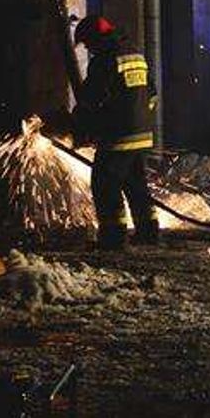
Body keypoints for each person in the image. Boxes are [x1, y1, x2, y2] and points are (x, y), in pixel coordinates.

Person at [73, 15, 159, 250]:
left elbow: (91, 101)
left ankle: (113, 235)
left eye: (88, 44)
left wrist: (80, 123)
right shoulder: (136, 54)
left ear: (96, 39)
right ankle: (149, 230)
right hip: (141, 133)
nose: (88, 49)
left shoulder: (105, 61)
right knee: (136, 183)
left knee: (104, 183)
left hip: (118, 135)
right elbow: (152, 94)